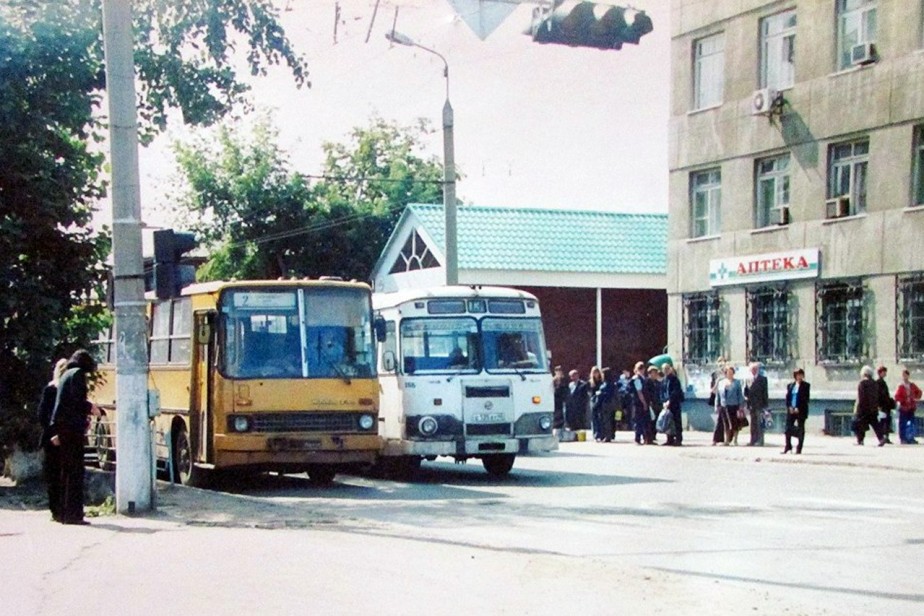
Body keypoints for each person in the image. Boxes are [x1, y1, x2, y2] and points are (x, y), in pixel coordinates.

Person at [49, 349, 101, 525]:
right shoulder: (77, 374)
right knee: (76, 472)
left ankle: (64, 513)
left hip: (63, 427)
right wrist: (91, 408)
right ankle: (74, 514)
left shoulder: (66, 374)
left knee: (67, 472)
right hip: (72, 429)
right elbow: (77, 400)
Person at [37, 358, 68, 522]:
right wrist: (52, 435)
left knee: (64, 475)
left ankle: (63, 509)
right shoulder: (51, 389)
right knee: (54, 475)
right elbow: (43, 415)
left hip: (67, 438)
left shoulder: (69, 389)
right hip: (52, 439)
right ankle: (56, 510)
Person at [853, 365, 885, 447]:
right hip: (873, 408)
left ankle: (860, 440)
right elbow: (877, 396)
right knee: (875, 424)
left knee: (859, 424)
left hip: (863, 409)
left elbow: (861, 397)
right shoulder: (874, 383)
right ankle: (881, 438)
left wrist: (857, 409)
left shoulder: (862, 383)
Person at [714, 365, 745, 446]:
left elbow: (740, 395)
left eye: (731, 372)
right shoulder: (721, 382)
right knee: (726, 424)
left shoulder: (737, 383)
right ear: (725, 373)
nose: (730, 374)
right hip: (724, 406)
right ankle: (727, 440)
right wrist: (717, 405)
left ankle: (735, 440)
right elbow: (718, 395)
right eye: (728, 372)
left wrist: (741, 406)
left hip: (734, 405)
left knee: (735, 424)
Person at [783, 368, 811, 454]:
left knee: (800, 428)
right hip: (791, 410)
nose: (799, 376)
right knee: (787, 428)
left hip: (800, 410)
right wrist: (790, 407)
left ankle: (799, 448)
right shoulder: (791, 385)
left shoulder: (806, 385)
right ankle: (788, 446)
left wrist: (798, 407)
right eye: (797, 375)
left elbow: (806, 399)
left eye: (801, 375)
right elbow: (788, 398)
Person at [894, 369, 922, 444]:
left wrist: (915, 397)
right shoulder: (901, 386)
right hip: (903, 408)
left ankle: (911, 437)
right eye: (903, 375)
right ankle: (903, 438)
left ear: (908, 376)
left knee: (912, 423)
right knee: (903, 424)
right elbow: (897, 396)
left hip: (911, 407)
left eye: (906, 375)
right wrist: (903, 400)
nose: (904, 377)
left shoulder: (912, 385)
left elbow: (919, 392)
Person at [745, 362, 769, 446]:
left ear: (758, 370)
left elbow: (765, 393)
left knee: (760, 423)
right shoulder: (748, 379)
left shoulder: (762, 379)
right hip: (751, 405)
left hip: (760, 404)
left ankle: (760, 440)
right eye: (752, 369)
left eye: (755, 369)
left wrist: (765, 405)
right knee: (753, 423)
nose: (753, 371)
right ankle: (753, 440)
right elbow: (746, 392)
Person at [661, 363, 684, 446]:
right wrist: (663, 401)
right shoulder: (664, 380)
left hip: (674, 403)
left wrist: (670, 400)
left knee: (676, 421)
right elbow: (662, 392)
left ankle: (678, 439)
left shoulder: (675, 379)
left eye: (667, 369)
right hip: (666, 404)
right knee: (668, 422)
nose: (666, 371)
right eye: (664, 369)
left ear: (670, 369)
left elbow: (676, 391)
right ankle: (669, 439)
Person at [591, 367, 617, 442]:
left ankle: (608, 436)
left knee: (607, 420)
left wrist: (600, 393)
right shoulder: (608, 383)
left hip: (607, 404)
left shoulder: (608, 384)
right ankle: (606, 435)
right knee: (607, 420)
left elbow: (607, 393)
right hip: (607, 404)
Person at [876, 366, 895, 444]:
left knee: (887, 421)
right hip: (882, 405)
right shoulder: (878, 382)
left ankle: (886, 436)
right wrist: (878, 405)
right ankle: (883, 436)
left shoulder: (883, 382)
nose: (885, 373)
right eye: (884, 372)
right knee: (883, 421)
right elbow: (878, 395)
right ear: (880, 373)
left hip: (886, 405)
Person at [643, 365, 662, 444]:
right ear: (649, 373)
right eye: (653, 373)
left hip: (657, 403)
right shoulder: (647, 381)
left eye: (656, 373)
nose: (655, 374)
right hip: (650, 403)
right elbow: (646, 392)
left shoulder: (658, 383)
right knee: (650, 421)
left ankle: (653, 435)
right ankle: (648, 437)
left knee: (655, 420)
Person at [552, 366, 568, 435]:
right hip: (555, 400)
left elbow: (566, 390)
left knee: (563, 414)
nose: (559, 372)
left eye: (560, 370)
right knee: (556, 415)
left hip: (562, 400)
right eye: (557, 370)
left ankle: (562, 429)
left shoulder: (564, 380)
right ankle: (556, 430)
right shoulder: (553, 380)